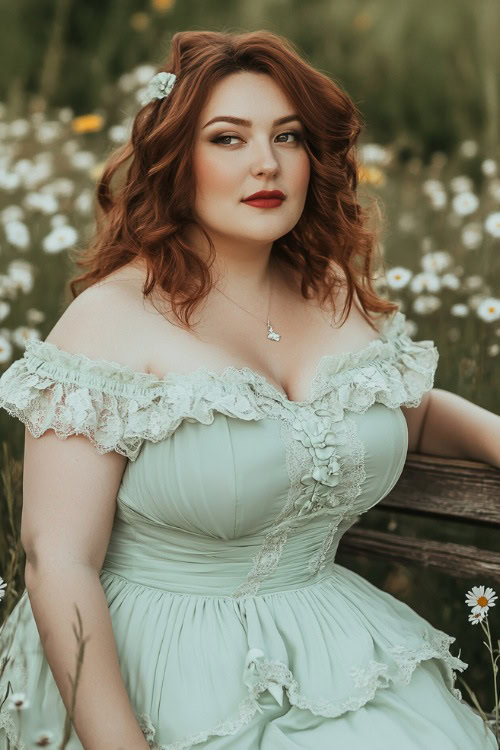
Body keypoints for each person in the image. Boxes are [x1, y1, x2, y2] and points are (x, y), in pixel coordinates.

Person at [0, 28, 498, 750]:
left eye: (288, 137)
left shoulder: (333, 294)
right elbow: (58, 559)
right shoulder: (108, 322)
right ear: (175, 158)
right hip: (158, 666)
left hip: (330, 649)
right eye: (228, 139)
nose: (267, 164)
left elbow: (404, 415)